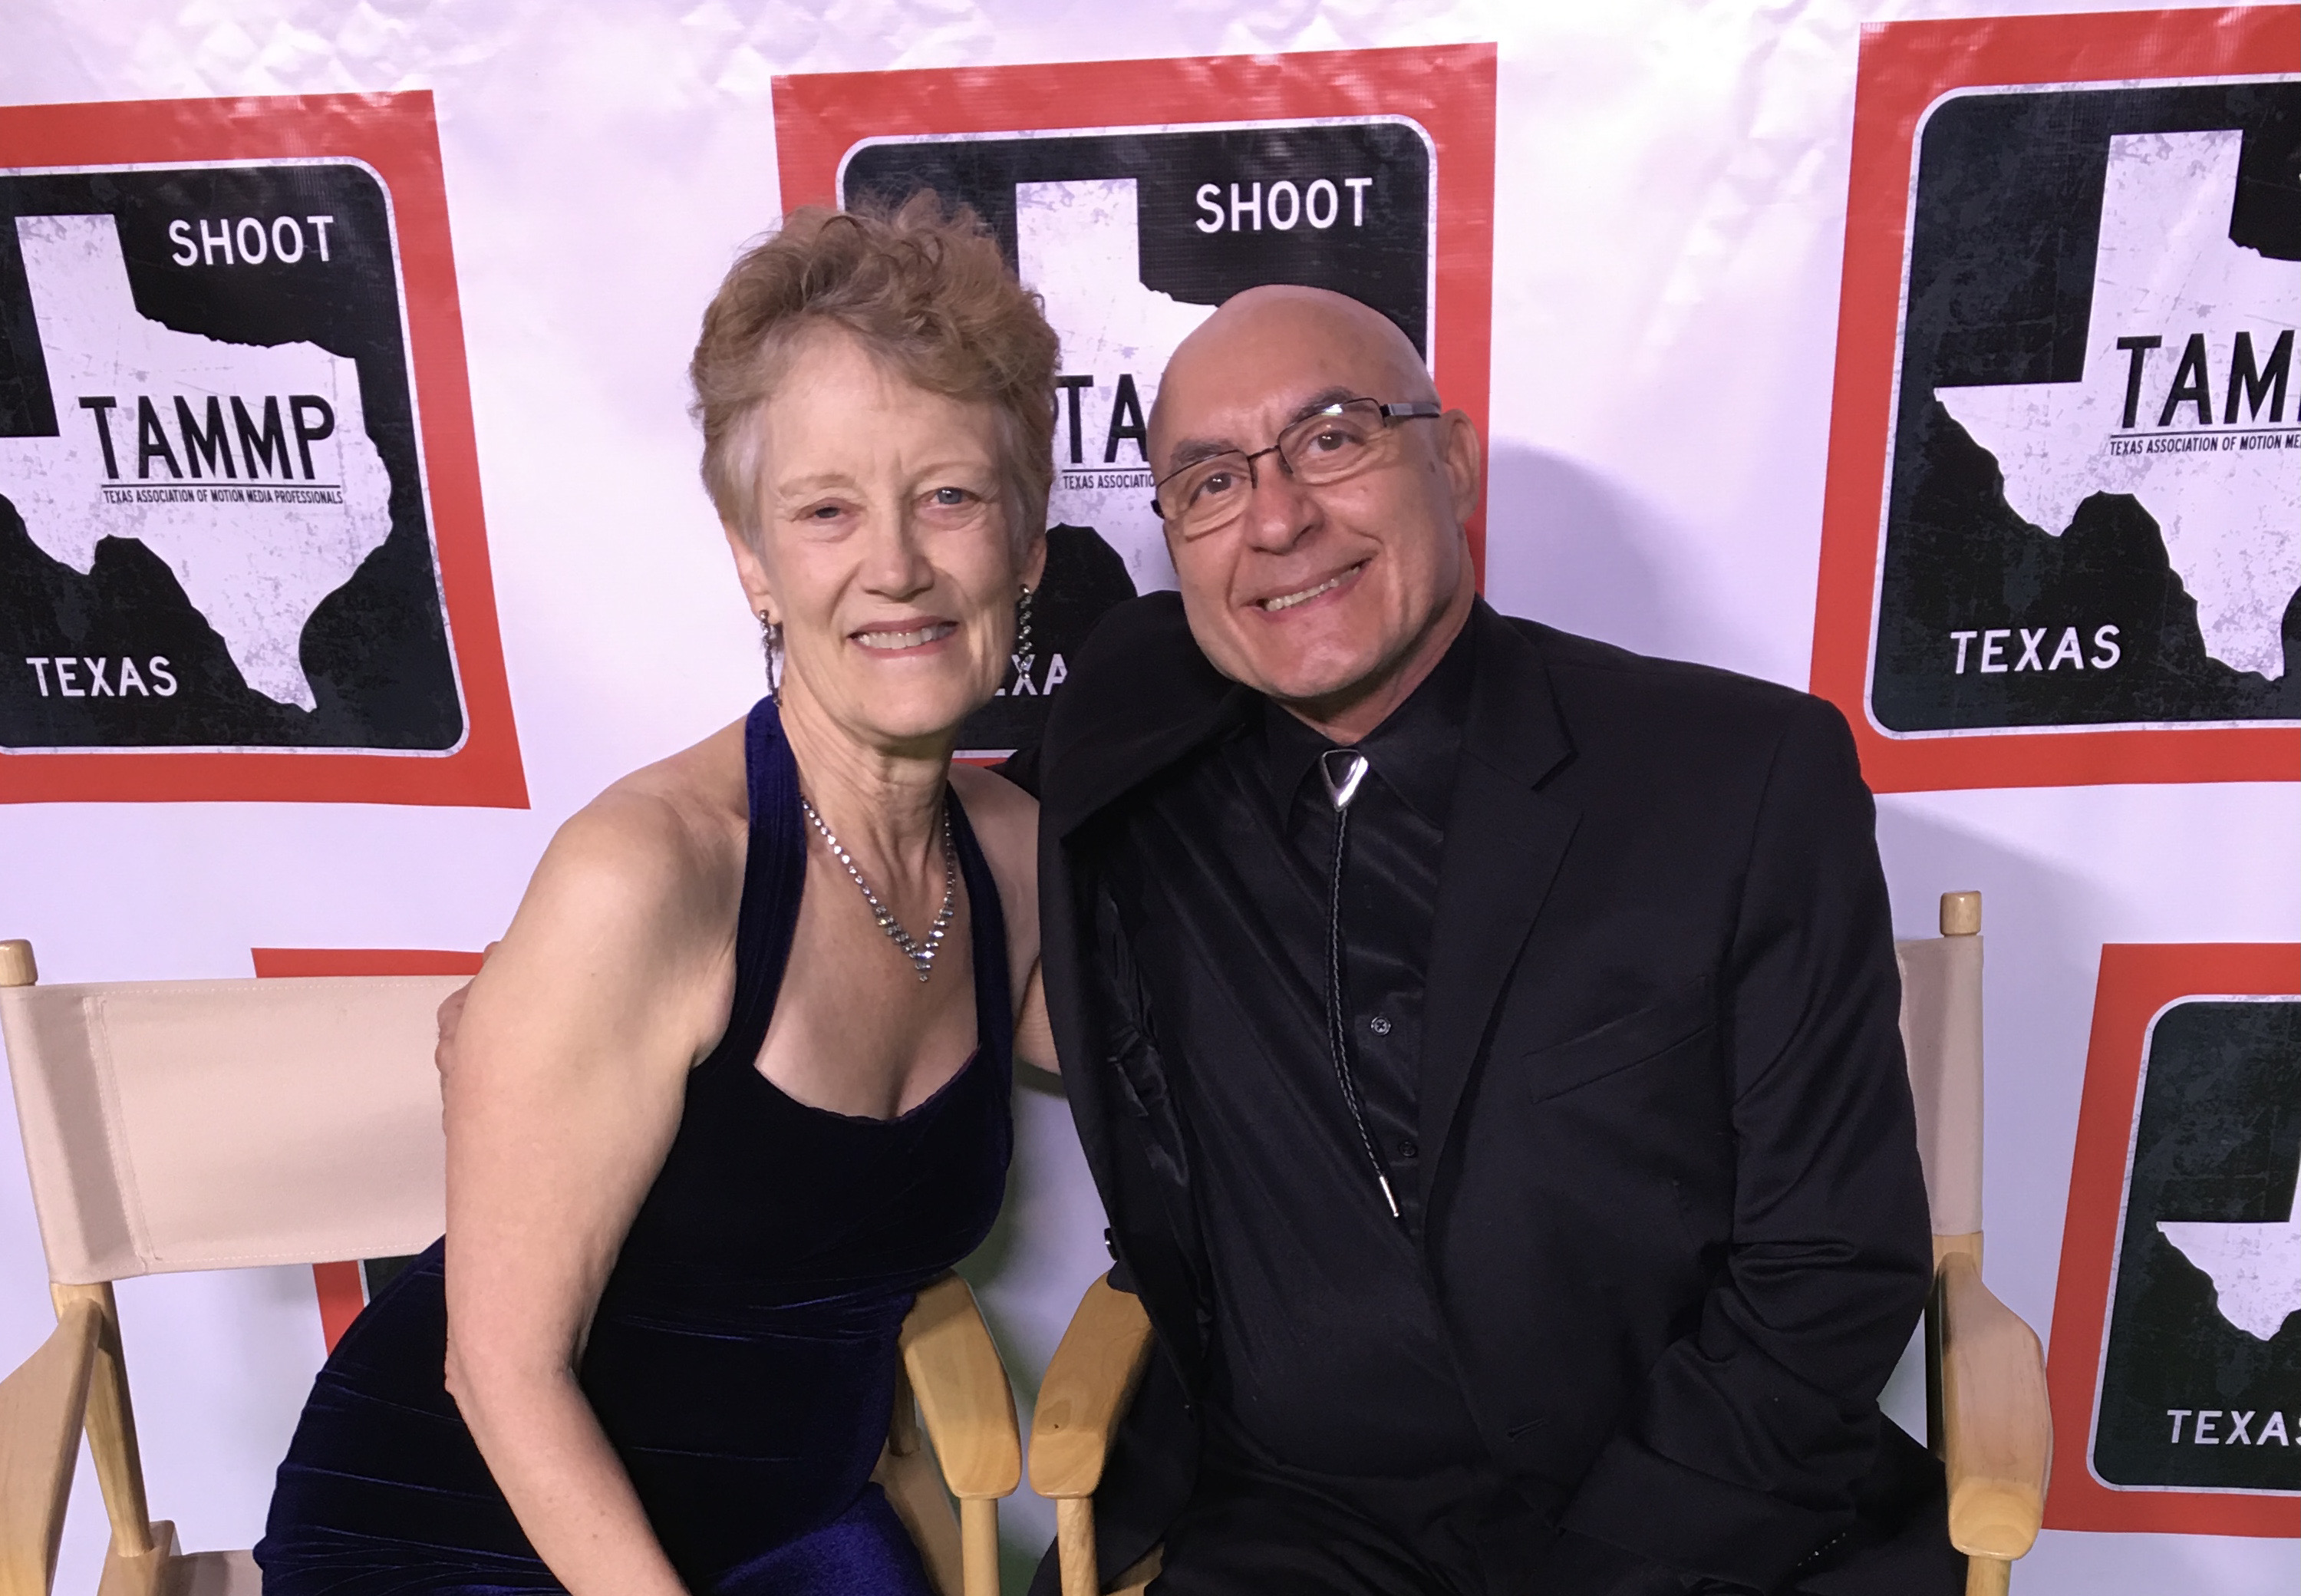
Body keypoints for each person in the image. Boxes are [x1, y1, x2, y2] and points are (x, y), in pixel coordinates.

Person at [1016, 285, 1951, 1596]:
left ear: (1450, 461)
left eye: (1331, 438)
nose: (1278, 519)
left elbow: (1833, 1262)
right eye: (1212, 482)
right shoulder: (1136, 743)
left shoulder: (1736, 779)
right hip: (1298, 1528)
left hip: (1691, 1520)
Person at [256, 195, 1060, 1596]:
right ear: (753, 563)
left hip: (787, 1536)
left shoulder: (1012, 862)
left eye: (951, 496)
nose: (896, 565)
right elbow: (500, 1371)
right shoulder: (649, 872)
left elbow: (1209, 1083)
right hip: (464, 1533)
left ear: (1029, 546)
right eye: (826, 510)